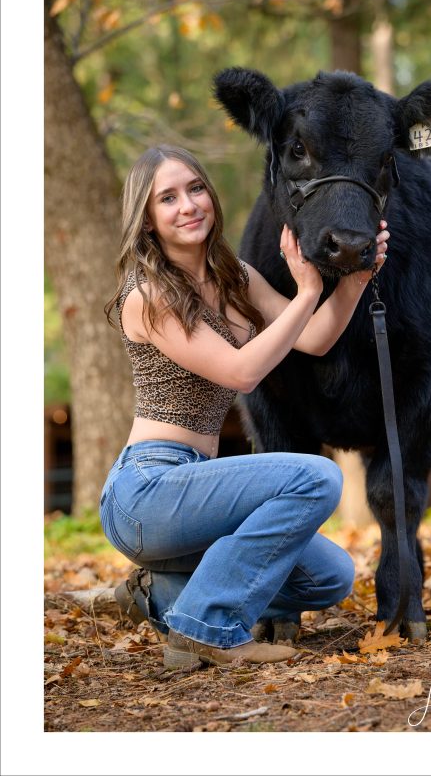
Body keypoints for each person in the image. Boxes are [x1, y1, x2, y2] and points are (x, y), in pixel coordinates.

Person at [101, 145, 389, 670]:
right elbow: (242, 372)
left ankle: (161, 595)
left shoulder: (235, 277)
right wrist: (305, 292)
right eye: (167, 198)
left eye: (195, 189)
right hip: (146, 492)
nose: (188, 205)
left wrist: (352, 283)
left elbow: (318, 339)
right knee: (316, 477)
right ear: (146, 220)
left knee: (329, 576)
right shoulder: (146, 294)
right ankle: (205, 629)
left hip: (198, 488)